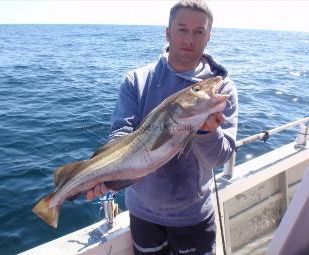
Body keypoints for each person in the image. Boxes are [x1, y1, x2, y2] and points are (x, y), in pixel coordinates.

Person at [87, 0, 238, 254]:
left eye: (198, 31)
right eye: (182, 29)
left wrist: (205, 132)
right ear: (168, 32)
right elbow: (121, 133)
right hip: (142, 214)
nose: (189, 38)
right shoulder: (137, 80)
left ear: (208, 37)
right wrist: (105, 173)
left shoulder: (222, 90)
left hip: (193, 216)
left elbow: (220, 158)